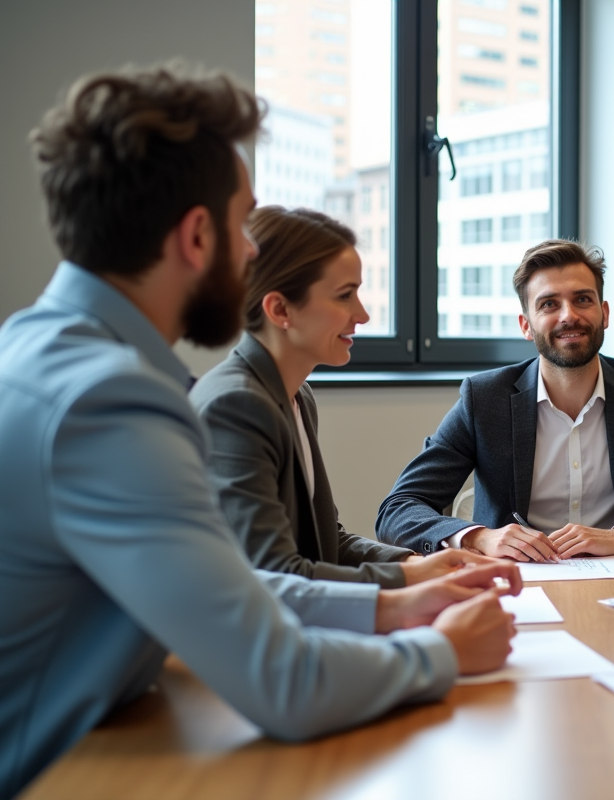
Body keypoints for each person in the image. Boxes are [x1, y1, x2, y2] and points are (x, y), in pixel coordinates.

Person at [0, 64, 518, 798]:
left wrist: (388, 602)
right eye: (244, 223)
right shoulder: (110, 402)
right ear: (197, 234)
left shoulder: (35, 351)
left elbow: (227, 586)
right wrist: (440, 652)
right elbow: (283, 683)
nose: (251, 251)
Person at [191, 206, 500, 587]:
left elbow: (325, 543)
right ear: (280, 309)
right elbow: (277, 575)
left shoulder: (297, 396)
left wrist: (413, 562)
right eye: (344, 295)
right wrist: (404, 583)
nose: (364, 314)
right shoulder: (236, 405)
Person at [376, 239, 614, 561]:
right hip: (514, 582)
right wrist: (479, 538)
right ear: (526, 325)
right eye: (549, 304)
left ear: (604, 313)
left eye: (582, 299)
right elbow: (399, 509)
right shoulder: (484, 399)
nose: (568, 315)